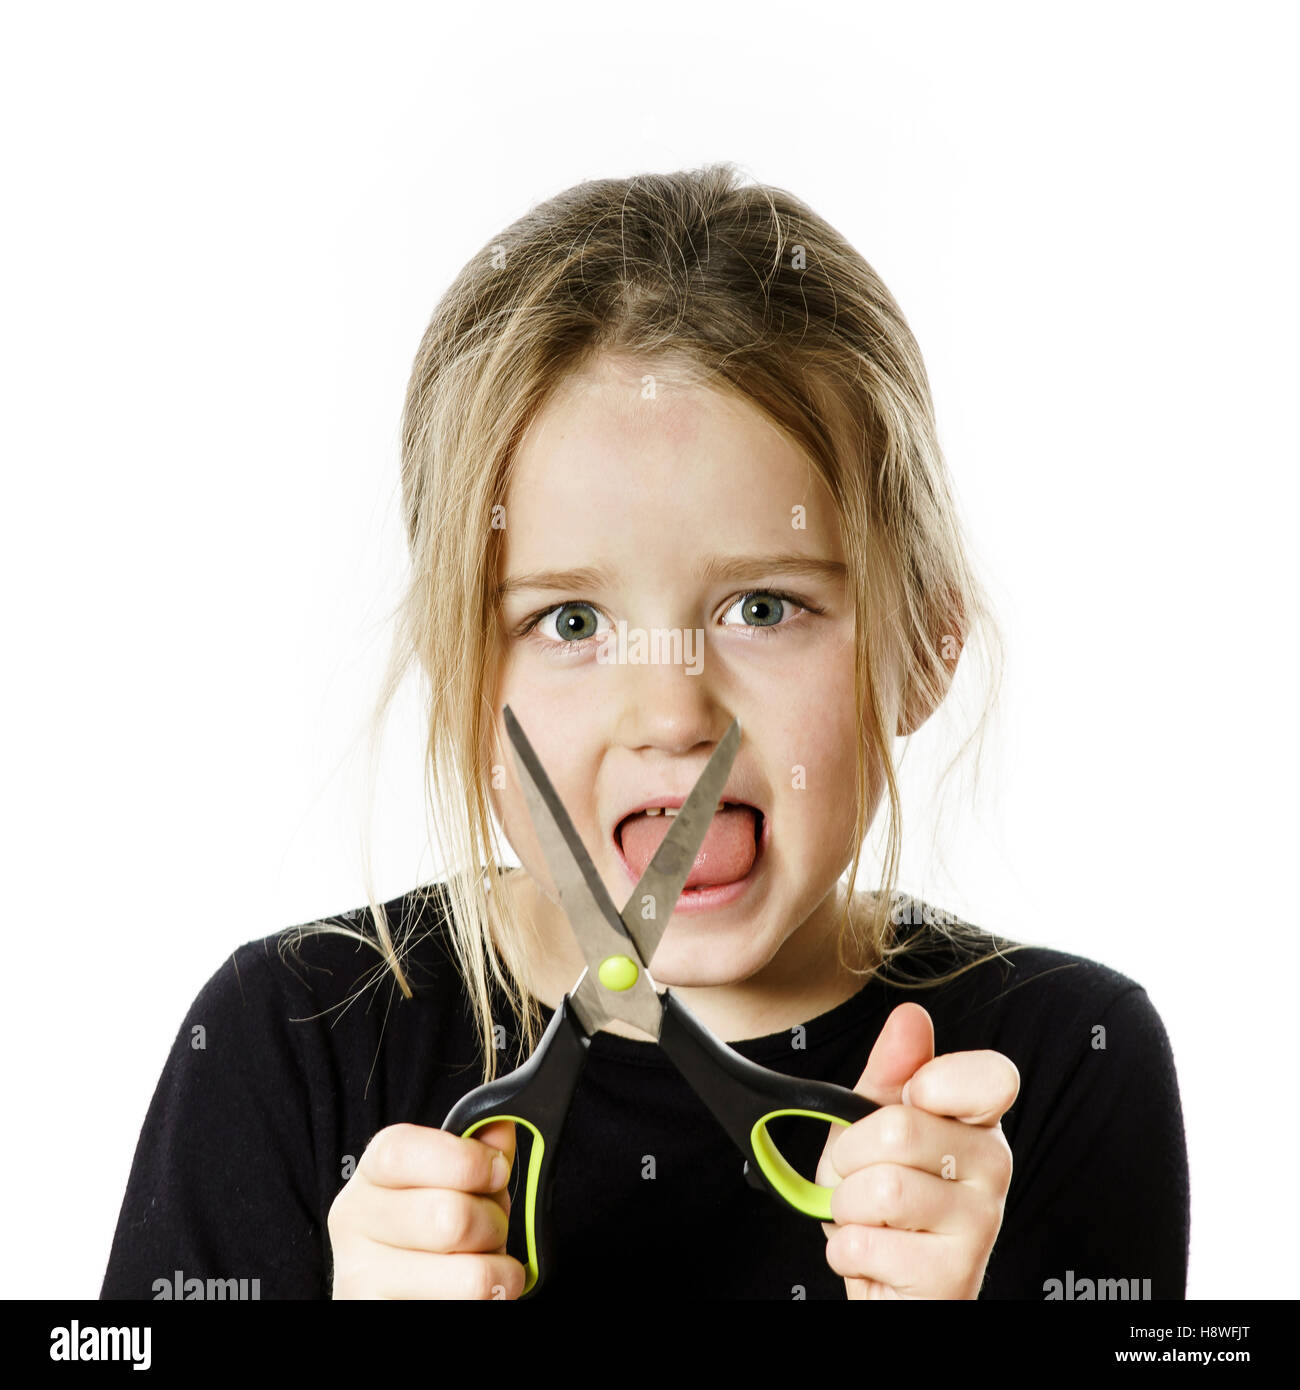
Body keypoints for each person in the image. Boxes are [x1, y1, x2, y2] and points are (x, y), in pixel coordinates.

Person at [101, 164, 1189, 1301]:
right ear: (462, 681)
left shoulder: (1054, 1064)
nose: (672, 713)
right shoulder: (291, 1036)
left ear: (922, 646)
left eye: (761, 609)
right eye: (569, 620)